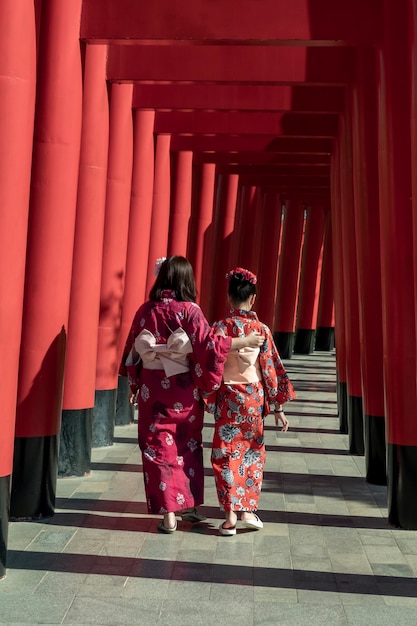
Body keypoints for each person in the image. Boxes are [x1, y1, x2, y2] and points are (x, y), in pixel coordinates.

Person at [119, 256, 265, 533]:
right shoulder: (190, 311)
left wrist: (135, 385)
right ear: (187, 280)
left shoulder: (145, 310)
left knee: (157, 447)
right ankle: (187, 505)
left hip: (152, 386)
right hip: (184, 389)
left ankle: (169, 516)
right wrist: (243, 342)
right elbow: (208, 346)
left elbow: (133, 350)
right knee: (186, 445)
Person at [206, 267, 296, 536]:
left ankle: (230, 516)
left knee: (225, 452)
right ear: (253, 298)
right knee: (251, 452)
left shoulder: (220, 328)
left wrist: (206, 396)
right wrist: (278, 407)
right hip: (253, 397)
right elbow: (270, 368)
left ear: (229, 297)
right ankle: (247, 510)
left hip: (227, 396)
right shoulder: (262, 330)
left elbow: (208, 361)